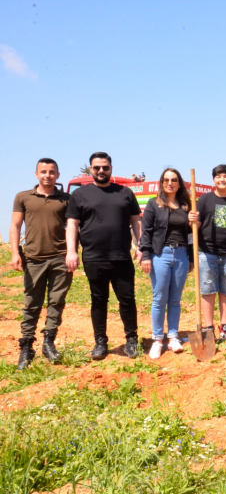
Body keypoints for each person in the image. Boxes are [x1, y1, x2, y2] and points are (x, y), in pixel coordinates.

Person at [66, 152, 142, 360]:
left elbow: (136, 221)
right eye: (97, 167)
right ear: (91, 169)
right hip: (94, 256)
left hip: (121, 256)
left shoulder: (125, 193)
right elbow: (72, 224)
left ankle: (132, 340)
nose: (101, 171)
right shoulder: (80, 195)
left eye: (105, 167)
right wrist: (72, 251)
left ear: (111, 168)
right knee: (98, 300)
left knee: (127, 299)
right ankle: (100, 342)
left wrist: (141, 245)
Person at [11, 158, 73, 369]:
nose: (48, 175)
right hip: (33, 258)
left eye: (52, 172)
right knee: (31, 303)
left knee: (56, 302)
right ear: (36, 174)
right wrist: (15, 253)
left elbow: (73, 227)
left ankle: (49, 343)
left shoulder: (67, 199)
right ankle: (27, 347)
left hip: (60, 259)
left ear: (58, 175)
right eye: (44, 171)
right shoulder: (23, 197)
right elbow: (15, 226)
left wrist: (72, 253)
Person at [139, 168, 194, 359]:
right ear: (162, 183)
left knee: (175, 298)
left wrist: (191, 258)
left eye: (174, 180)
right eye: (166, 180)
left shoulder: (186, 205)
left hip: (181, 255)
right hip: (160, 254)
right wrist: (146, 255)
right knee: (159, 297)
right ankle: (157, 339)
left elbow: (190, 235)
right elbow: (146, 231)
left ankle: (172, 337)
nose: (170, 183)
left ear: (179, 184)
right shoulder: (153, 204)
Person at [189, 164, 226, 342]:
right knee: (208, 290)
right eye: (218, 177)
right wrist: (192, 220)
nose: (222, 179)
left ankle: (225, 327)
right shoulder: (204, 199)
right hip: (207, 253)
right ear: (213, 180)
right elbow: (196, 226)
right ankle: (208, 328)